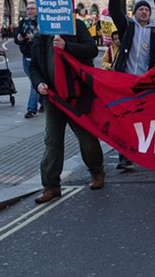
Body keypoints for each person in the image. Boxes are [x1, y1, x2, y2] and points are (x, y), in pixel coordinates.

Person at [30, 17, 104, 204]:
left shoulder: (76, 25)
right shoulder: (41, 33)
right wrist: (39, 83)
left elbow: (91, 49)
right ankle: (51, 186)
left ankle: (96, 171)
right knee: (53, 142)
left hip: (76, 96)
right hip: (53, 98)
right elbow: (34, 66)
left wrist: (66, 46)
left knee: (86, 137)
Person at [108, 0, 155, 170]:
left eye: (146, 10)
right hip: (125, 80)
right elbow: (114, 11)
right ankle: (124, 157)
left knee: (145, 118)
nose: (143, 12)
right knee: (124, 118)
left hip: (145, 82)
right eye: (140, 9)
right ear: (135, 12)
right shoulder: (127, 26)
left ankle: (149, 153)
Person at [14, 1, 42, 118]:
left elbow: (46, 38)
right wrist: (19, 38)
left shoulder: (42, 22)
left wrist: (35, 37)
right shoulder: (23, 23)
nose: (29, 11)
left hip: (39, 56)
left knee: (34, 82)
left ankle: (31, 108)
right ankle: (44, 102)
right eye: (28, 9)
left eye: (32, 9)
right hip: (26, 56)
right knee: (35, 81)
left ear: (37, 10)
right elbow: (16, 39)